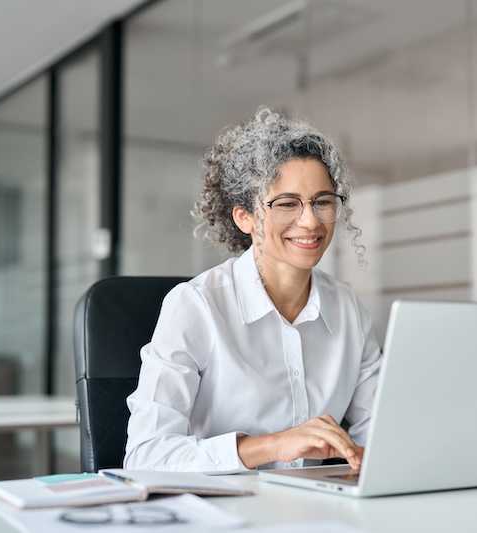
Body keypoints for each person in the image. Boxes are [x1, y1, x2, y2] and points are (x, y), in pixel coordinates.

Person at [124, 107, 381, 474]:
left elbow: (378, 428)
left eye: (322, 201)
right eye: (287, 204)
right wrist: (273, 445)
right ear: (244, 216)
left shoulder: (346, 309)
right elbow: (145, 456)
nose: (310, 221)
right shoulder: (197, 306)